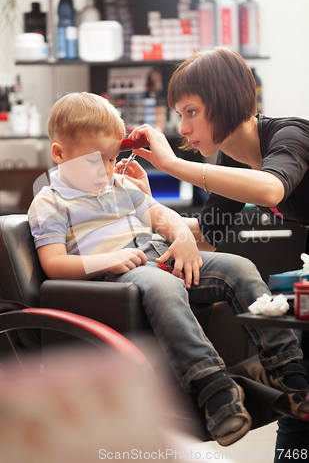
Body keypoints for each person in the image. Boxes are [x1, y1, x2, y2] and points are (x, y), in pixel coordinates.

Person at [28, 91, 309, 449]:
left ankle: (290, 373)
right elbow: (54, 264)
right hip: (117, 275)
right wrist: (106, 260)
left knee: (239, 267)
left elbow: (164, 217)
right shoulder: (49, 202)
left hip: (159, 257)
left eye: (113, 159)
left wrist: (183, 238)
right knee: (163, 285)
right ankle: (213, 389)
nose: (106, 171)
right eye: (94, 162)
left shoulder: (120, 186)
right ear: (59, 154)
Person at [118, 47, 309, 460]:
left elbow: (271, 189)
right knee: (298, 402)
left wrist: (172, 165)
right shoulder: (230, 159)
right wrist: (149, 207)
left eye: (191, 112)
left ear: (223, 102)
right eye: (179, 115)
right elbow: (206, 235)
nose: (183, 129)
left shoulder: (290, 135)